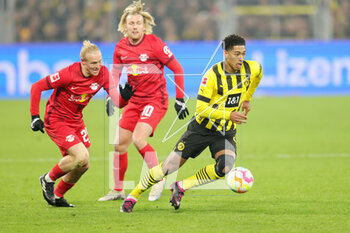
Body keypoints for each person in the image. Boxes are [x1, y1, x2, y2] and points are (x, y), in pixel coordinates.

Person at [120, 34, 263, 212]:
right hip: (201, 129)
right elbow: (201, 109)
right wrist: (228, 115)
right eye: (236, 54)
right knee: (168, 167)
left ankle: (181, 187)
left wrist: (247, 99)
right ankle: (133, 195)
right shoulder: (212, 76)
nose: (241, 58)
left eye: (243, 53)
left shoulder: (252, 68)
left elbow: (258, 74)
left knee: (225, 166)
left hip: (225, 132)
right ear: (225, 53)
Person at [98, 0, 189, 202]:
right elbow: (114, 75)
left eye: (138, 23)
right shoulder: (120, 48)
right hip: (135, 101)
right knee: (119, 144)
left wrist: (180, 99)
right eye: (131, 23)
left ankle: (157, 179)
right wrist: (110, 96)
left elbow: (178, 69)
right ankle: (117, 190)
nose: (135, 26)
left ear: (144, 25)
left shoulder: (155, 44)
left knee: (139, 139)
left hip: (156, 100)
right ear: (125, 26)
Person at [30, 40, 135, 207]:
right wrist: (35, 116)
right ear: (83, 62)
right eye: (94, 63)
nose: (98, 66)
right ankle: (47, 179)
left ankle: (57, 196)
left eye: (100, 61)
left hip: (76, 120)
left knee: (84, 164)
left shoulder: (103, 73)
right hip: (57, 119)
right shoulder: (68, 74)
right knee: (80, 156)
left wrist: (125, 98)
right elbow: (37, 86)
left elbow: (116, 102)